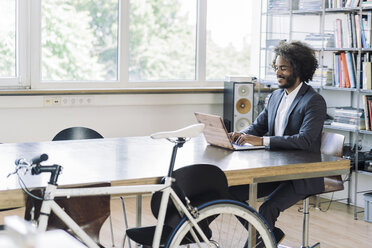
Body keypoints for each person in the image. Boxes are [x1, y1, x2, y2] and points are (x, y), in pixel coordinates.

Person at [229, 40, 327, 245]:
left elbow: (305, 140)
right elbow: (257, 127)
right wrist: (240, 135)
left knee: (268, 208)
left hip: (302, 174)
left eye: (283, 68)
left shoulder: (313, 101)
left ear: (298, 69)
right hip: (275, 170)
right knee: (229, 193)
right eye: (276, 68)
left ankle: (259, 240)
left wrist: (262, 141)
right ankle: (268, 235)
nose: (278, 73)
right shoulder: (275, 97)